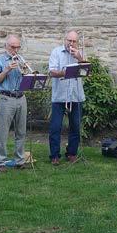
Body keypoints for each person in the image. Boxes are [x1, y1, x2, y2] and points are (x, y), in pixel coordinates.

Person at [48, 30, 86, 165]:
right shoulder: (56, 52)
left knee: (75, 126)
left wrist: (80, 59)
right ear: (65, 40)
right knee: (55, 127)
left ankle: (72, 153)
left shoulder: (81, 53)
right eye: (69, 40)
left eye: (74, 41)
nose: (71, 43)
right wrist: (65, 73)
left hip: (76, 95)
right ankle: (54, 155)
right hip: (59, 95)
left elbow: (86, 72)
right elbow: (52, 72)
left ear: (77, 42)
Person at [0, 34, 27, 172]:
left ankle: (19, 160)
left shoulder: (20, 60)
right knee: (3, 132)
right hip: (6, 98)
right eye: (13, 47)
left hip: (21, 97)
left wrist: (25, 71)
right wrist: (6, 70)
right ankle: (1, 162)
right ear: (6, 46)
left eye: (18, 47)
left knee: (21, 131)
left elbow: (26, 79)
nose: (16, 50)